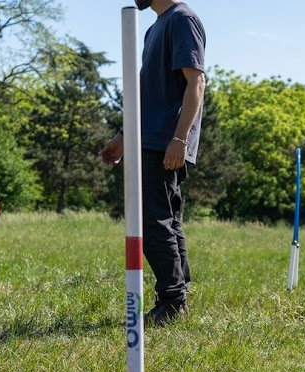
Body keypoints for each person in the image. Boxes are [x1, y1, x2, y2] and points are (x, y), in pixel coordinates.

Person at [100, 0, 206, 326]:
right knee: (167, 221)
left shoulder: (182, 19)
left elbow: (196, 82)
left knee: (154, 223)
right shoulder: (154, 28)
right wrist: (123, 136)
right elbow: (145, 95)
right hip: (150, 138)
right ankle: (179, 297)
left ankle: (172, 301)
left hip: (164, 141)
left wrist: (179, 139)